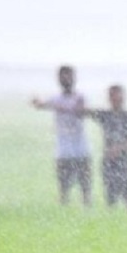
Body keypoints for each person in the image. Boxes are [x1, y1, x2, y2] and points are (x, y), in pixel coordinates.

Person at [32, 65, 92, 206]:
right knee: (64, 189)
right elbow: (41, 105)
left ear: (74, 78)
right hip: (63, 151)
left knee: (85, 188)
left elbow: (81, 111)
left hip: (81, 150)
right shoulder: (56, 98)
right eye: (63, 76)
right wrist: (39, 103)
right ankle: (64, 214)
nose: (66, 79)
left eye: (68, 75)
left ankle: (87, 213)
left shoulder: (80, 97)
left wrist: (55, 107)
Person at [84, 85, 127, 211]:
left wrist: (120, 148)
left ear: (123, 97)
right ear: (109, 98)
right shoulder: (105, 115)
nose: (115, 98)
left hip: (124, 160)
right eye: (112, 96)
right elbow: (85, 112)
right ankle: (112, 220)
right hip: (108, 161)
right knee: (110, 194)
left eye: (118, 95)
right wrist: (78, 105)